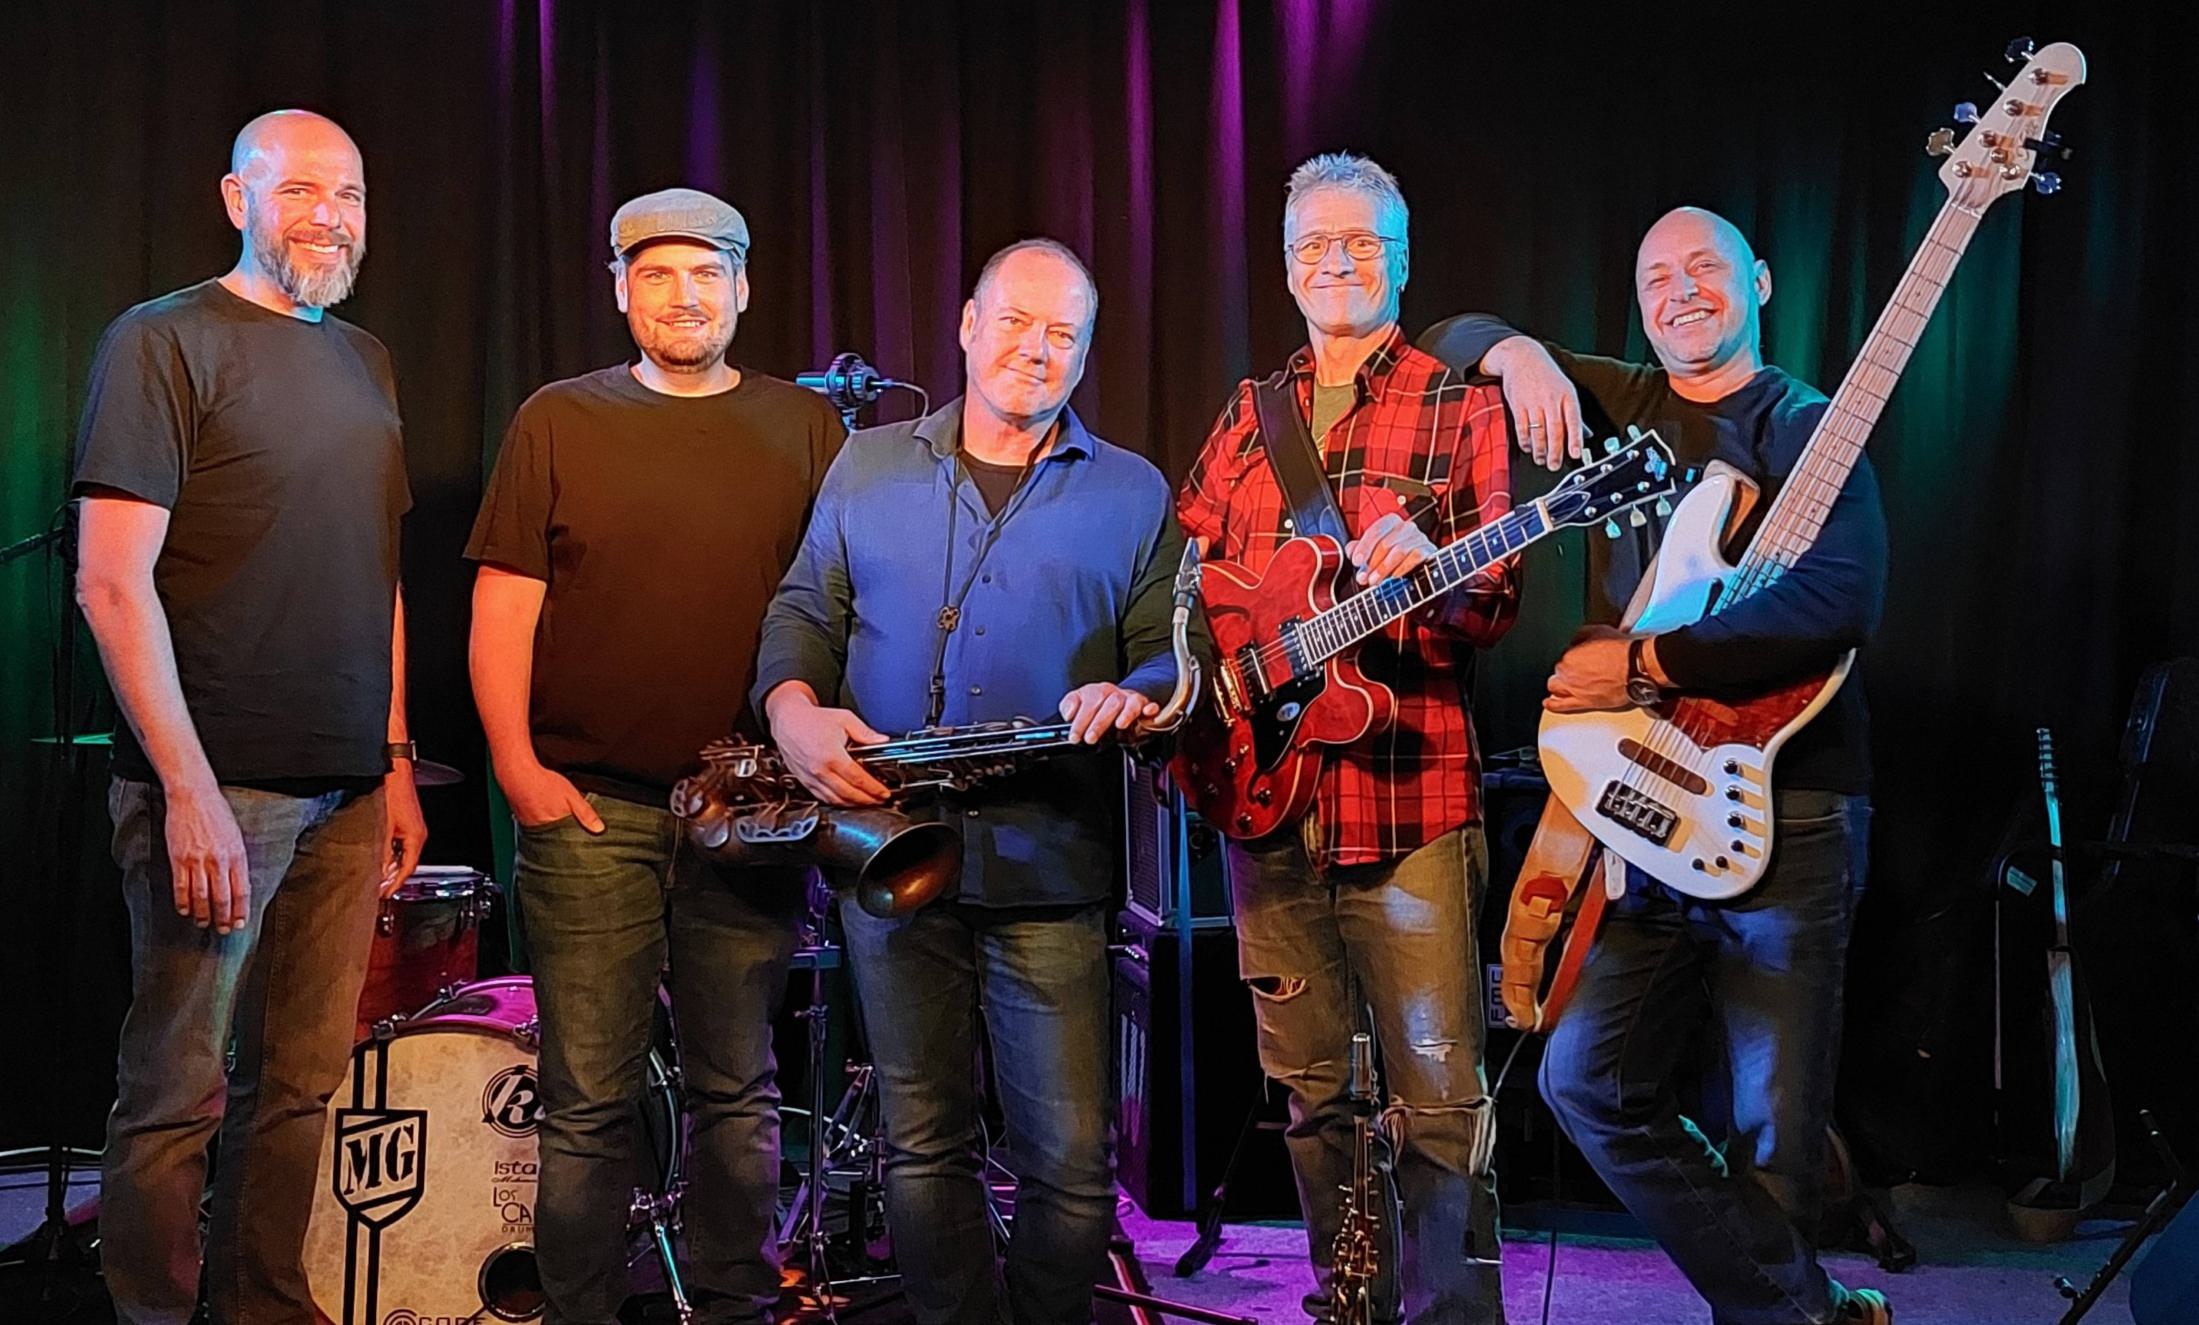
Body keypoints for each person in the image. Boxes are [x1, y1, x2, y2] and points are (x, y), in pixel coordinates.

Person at [1421, 204, 1893, 1324]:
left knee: (1774, 1131)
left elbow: (1840, 600)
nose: (1681, 292)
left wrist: (1640, 661)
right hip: (1648, 808)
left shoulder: (1805, 424)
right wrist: (1517, 351)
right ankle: (1808, 1310)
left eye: (1705, 268)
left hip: (1794, 805)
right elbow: (1442, 341)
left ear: (1760, 282)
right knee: (1585, 1079)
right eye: (1656, 277)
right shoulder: (1619, 400)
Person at [752, 238, 1190, 1325]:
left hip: (1051, 859)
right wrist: (791, 709)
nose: (1035, 350)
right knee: (923, 1143)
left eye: (1062, 334)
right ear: (965, 324)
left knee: (1072, 1164)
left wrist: (1137, 690)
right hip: (886, 849)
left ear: (1085, 352)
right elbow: (805, 609)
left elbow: (1165, 652)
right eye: (1015, 322)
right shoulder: (867, 464)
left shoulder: (1134, 489)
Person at [464, 186, 846, 1325]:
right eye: (659, 274)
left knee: (740, 1088)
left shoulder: (806, 429)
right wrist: (519, 770)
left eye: (706, 273)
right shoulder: (557, 420)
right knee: (588, 1096)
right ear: (621, 289)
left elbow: (841, 605)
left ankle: (735, 1303)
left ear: (743, 288)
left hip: (753, 813)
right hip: (590, 811)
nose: (684, 296)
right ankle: (579, 1309)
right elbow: (503, 609)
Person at [73, 108, 426, 1325]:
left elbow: (379, 572)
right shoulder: (161, 340)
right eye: (301, 190)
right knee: (178, 1089)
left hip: (348, 788)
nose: (330, 215)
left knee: (303, 1084)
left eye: (351, 194)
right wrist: (186, 789)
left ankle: (265, 1303)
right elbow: (109, 582)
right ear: (237, 200)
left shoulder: (366, 359)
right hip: (217, 786)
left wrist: (394, 760)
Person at [1176, 152, 1516, 1325]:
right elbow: (1188, 581)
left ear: (1401, 260)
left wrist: (1438, 572)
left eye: (1362, 242)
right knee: (1311, 1093)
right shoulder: (1247, 412)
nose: (1337, 262)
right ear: (1286, 267)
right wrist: (1211, 686)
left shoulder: (1460, 403)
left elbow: (1495, 596)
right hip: (1264, 804)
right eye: (1315, 244)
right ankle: (1349, 1301)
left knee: (1442, 1103)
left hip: (1408, 798)